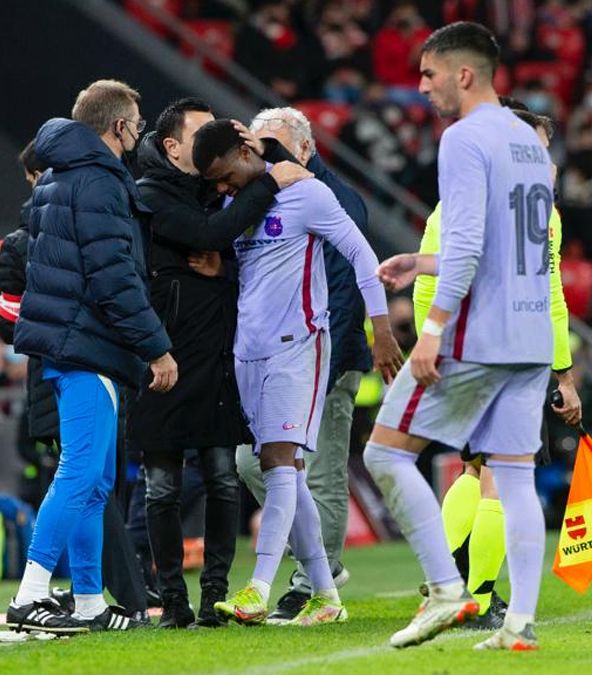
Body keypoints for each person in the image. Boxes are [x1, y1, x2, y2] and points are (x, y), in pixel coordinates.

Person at [368, 22, 553, 650]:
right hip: (531, 337)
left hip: (478, 337)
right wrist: (421, 263)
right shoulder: (531, 142)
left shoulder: (464, 137)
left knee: (385, 453)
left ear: (463, 74)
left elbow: (470, 244)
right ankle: (520, 625)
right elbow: (510, 249)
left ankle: (446, 591)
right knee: (515, 475)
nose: (421, 87)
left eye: (427, 74)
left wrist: (433, 329)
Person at [192, 118, 403, 627]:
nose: (222, 188)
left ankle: (258, 587)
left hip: (299, 345)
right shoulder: (236, 207)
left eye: (225, 175)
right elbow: (254, 274)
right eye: (215, 184)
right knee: (281, 470)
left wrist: (383, 333)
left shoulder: (306, 194)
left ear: (247, 151)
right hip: (248, 352)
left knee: (280, 461)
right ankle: (326, 595)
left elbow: (361, 255)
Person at [132, 98, 310, 629]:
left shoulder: (219, 190)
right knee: (161, 487)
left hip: (215, 354)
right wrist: (271, 180)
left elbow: (243, 254)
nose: (211, 140)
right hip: (163, 356)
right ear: (171, 147)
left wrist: (266, 152)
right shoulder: (149, 195)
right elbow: (210, 235)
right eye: (200, 132)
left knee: (222, 478)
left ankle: (213, 596)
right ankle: (171, 597)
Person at [8, 80, 177, 634]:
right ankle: (30, 593)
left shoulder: (56, 178)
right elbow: (114, 276)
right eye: (137, 123)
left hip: (67, 342)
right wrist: (155, 346)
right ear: (119, 126)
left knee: (96, 480)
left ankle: (87, 603)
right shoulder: (100, 182)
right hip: (89, 344)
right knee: (80, 472)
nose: (139, 134)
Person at [422, 100, 581, 631]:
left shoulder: (453, 202)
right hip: (511, 354)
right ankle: (478, 595)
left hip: (458, 353)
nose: (544, 161)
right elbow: (551, 295)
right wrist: (564, 374)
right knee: (501, 475)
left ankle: (440, 583)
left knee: (473, 467)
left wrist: (432, 347)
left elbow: (427, 283)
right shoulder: (539, 211)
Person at [233, 106, 373, 624]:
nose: (265, 156)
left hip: (321, 354)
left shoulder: (329, 198)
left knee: (320, 471)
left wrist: (322, 364)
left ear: (306, 149)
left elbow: (343, 285)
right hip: (267, 355)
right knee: (259, 464)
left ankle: (313, 577)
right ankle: (318, 574)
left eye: (275, 146)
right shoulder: (259, 195)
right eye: (259, 146)